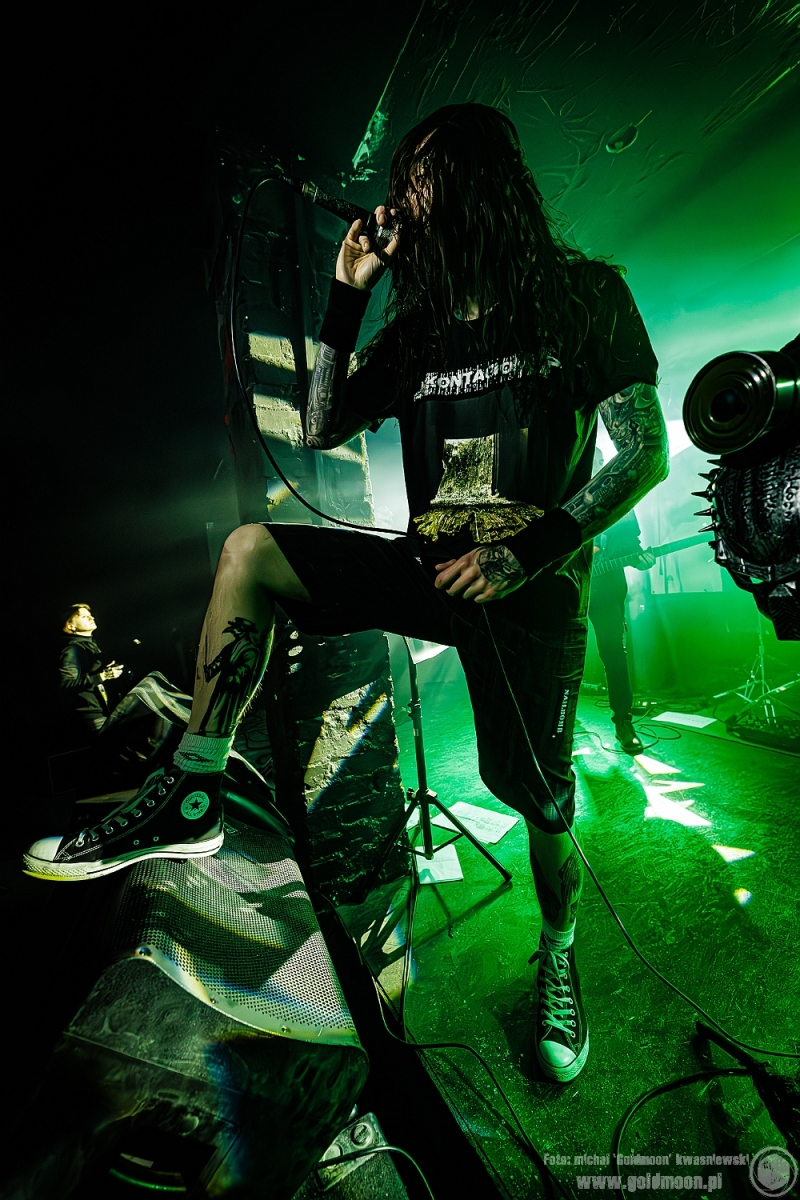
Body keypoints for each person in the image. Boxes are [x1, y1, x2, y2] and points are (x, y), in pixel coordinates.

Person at [25, 104, 669, 1084]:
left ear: (473, 186)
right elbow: (320, 425)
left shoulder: (582, 297)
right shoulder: (416, 335)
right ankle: (193, 787)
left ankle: (559, 950)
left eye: (419, 179)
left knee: (539, 805)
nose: (399, 202)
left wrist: (530, 551)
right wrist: (343, 293)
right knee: (250, 553)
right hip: (428, 570)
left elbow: (645, 449)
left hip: (528, 596)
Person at [588, 454, 656, 753]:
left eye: (600, 460)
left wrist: (642, 559)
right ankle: (555, 729)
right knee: (559, 656)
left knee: (614, 653)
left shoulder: (619, 497)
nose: (597, 466)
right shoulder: (561, 494)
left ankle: (623, 722)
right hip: (568, 586)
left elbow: (631, 545)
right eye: (593, 460)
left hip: (606, 586)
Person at [57, 603, 124, 741]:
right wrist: (103, 675)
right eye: (84, 616)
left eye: (90, 615)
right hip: (93, 716)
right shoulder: (73, 649)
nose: (91, 618)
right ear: (71, 626)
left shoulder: (89, 645)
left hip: (106, 711)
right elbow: (66, 684)